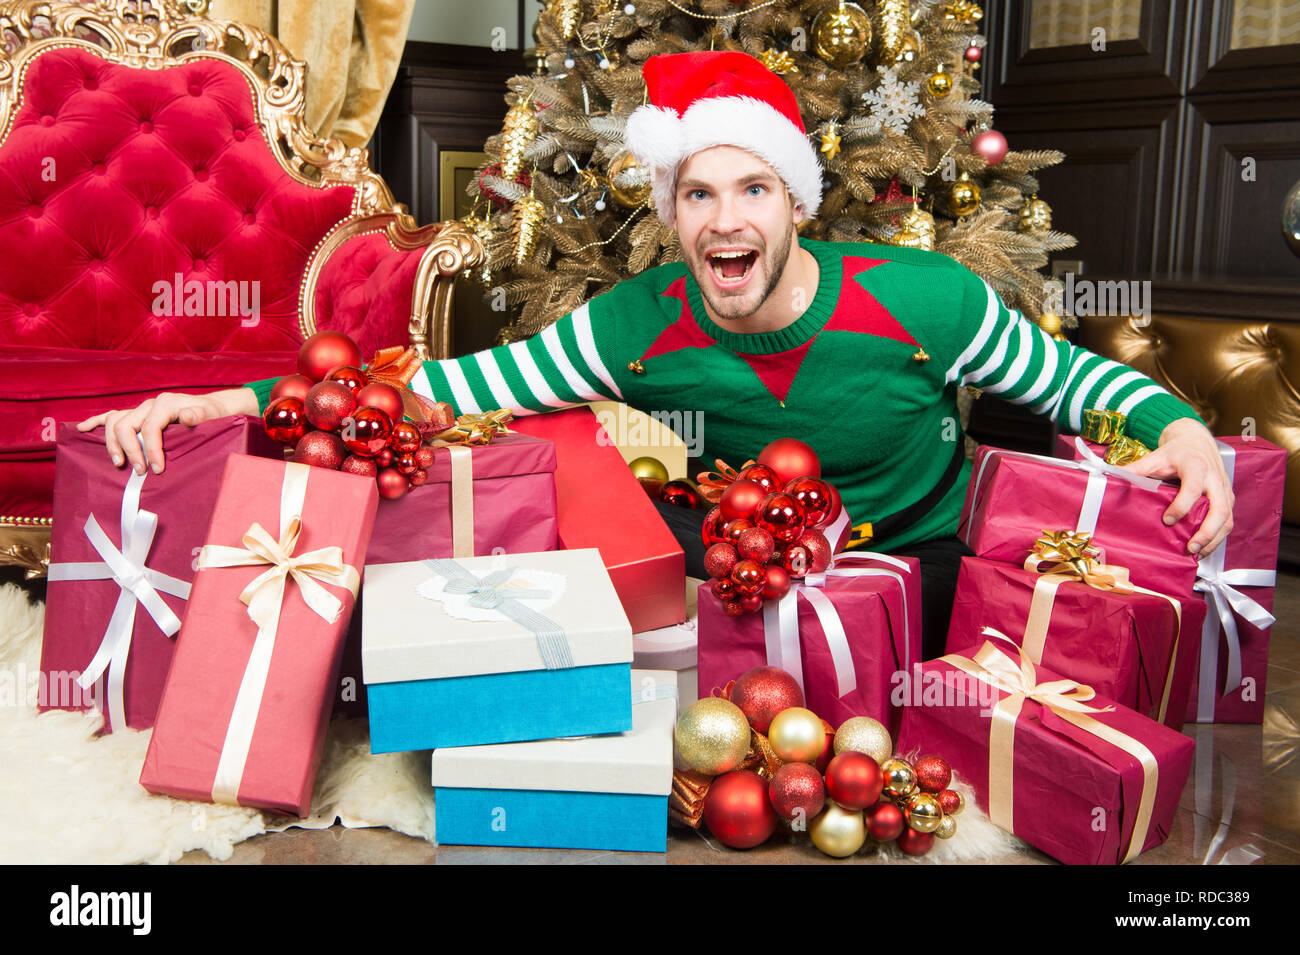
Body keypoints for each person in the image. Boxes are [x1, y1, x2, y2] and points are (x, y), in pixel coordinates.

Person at [78, 51, 1233, 656]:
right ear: (671, 216)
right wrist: (222, 395)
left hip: (915, 560)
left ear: (792, 203)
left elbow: (1075, 380)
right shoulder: (638, 319)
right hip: (730, 548)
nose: (725, 220)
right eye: (697, 194)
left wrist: (1181, 433)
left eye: (751, 190)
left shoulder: (925, 296)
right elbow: (435, 388)